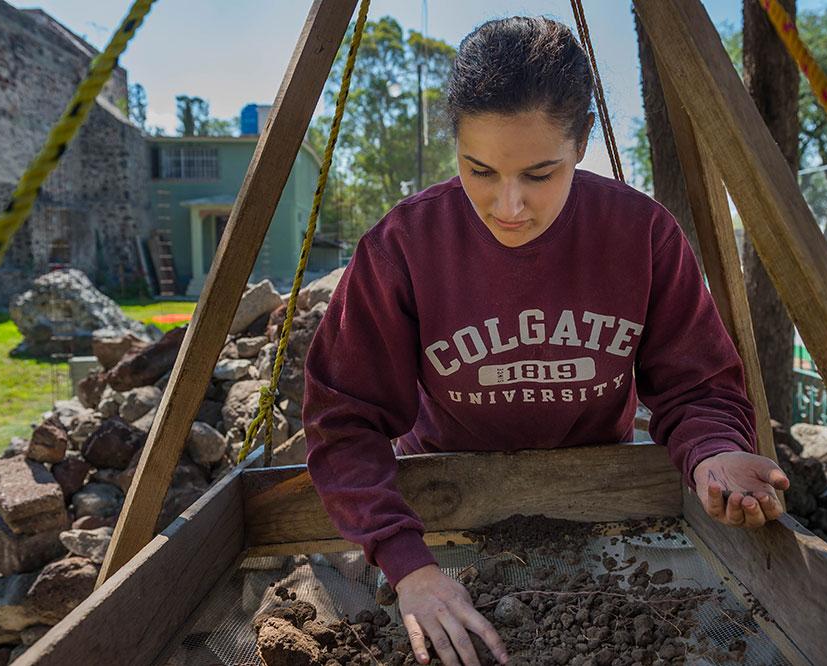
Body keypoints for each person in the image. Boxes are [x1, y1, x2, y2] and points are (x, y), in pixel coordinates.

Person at [302, 16, 790, 666]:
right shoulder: (404, 248)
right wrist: (407, 564)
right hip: (440, 521)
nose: (508, 206)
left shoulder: (642, 237)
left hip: (597, 507)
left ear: (582, 142)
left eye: (539, 174)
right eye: (479, 170)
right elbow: (345, 423)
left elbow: (697, 385)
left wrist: (715, 452)